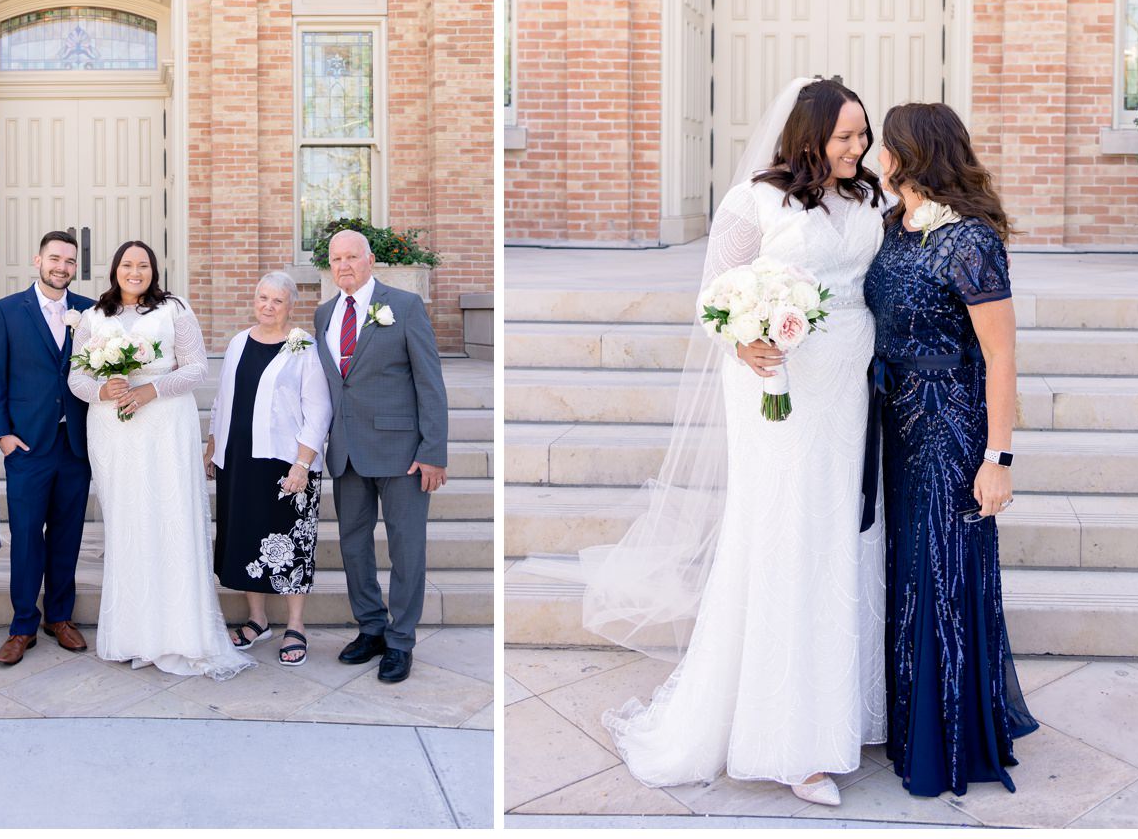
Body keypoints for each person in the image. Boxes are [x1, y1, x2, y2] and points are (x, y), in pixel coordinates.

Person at [536, 76, 885, 808]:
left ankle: (840, 713)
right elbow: (715, 297)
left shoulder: (867, 197)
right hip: (776, 383)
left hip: (848, 383)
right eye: (847, 135)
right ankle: (790, 742)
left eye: (864, 134)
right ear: (809, 136)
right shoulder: (755, 201)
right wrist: (745, 341)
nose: (860, 146)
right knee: (785, 538)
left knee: (837, 536)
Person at [865, 101, 1038, 797]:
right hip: (890, 423)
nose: (878, 158)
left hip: (947, 425)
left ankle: (950, 741)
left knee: (942, 574)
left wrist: (998, 459)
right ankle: (908, 721)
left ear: (914, 154)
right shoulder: (890, 226)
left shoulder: (970, 240)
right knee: (906, 572)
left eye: (886, 146)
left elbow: (1000, 356)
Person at [68, 241, 252, 679]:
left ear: (154, 270)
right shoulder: (94, 317)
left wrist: (150, 390)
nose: (136, 272)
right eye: (128, 265)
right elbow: (76, 374)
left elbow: (196, 368)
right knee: (128, 523)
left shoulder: (174, 309)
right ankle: (133, 635)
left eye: (144, 265)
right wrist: (101, 391)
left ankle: (180, 634)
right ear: (115, 270)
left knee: (170, 519)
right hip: (114, 427)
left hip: (166, 422)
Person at [315, 229, 449, 683]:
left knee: (406, 547)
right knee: (354, 546)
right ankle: (371, 628)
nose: (344, 266)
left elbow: (430, 382)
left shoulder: (405, 306)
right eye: (336, 259)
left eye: (352, 257)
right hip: (347, 452)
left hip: (402, 453)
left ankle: (401, 639)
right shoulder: (324, 315)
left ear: (371, 260)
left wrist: (433, 451)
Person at [207, 271, 333, 665]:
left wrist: (302, 463)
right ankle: (257, 619)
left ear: (291, 305)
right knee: (246, 541)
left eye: (277, 300)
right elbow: (223, 397)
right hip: (239, 459)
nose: (267, 306)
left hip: (286, 465)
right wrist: (213, 445)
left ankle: (295, 625)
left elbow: (319, 410)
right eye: (262, 297)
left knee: (291, 546)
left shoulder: (303, 347)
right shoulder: (237, 342)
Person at [0, 230, 96, 666]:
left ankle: (60, 618)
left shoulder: (88, 311)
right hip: (27, 446)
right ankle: (23, 625)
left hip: (73, 445)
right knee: (27, 537)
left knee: (68, 536)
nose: (61, 267)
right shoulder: (8, 311)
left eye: (69, 261)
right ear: (38, 260)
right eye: (55, 259)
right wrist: (4, 436)